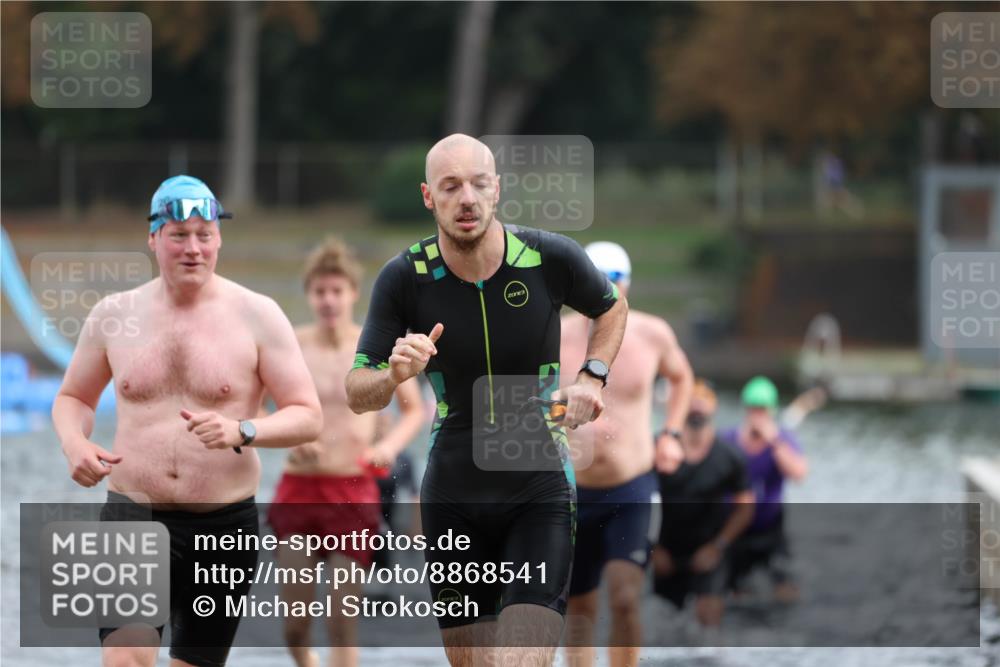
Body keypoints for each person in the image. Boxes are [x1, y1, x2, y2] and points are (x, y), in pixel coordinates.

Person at [345, 134, 628, 667]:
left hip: (539, 486)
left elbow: (611, 307)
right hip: (453, 495)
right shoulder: (405, 277)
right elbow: (357, 391)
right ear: (428, 196)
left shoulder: (549, 257)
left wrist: (592, 377)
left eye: (478, 184)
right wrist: (393, 375)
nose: (467, 199)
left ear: (497, 188)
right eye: (451, 186)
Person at [52, 175, 323, 667]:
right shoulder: (114, 314)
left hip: (224, 525)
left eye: (205, 234)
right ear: (153, 238)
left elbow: (307, 415)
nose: (193, 248)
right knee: (126, 660)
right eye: (179, 235)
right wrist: (75, 443)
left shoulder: (259, 315)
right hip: (133, 516)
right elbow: (74, 397)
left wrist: (243, 430)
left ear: (219, 238)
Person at [267, 238, 425, 667]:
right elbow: (256, 407)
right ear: (309, 295)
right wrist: (289, 435)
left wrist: (387, 446)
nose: (329, 300)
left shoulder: (375, 346)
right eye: (320, 291)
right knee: (295, 625)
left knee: (341, 620)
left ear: (353, 293)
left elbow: (415, 409)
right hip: (299, 489)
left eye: (337, 290)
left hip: (353, 490)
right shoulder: (293, 344)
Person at [559, 241, 693, 667]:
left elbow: (682, 378)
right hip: (572, 490)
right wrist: (567, 415)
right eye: (595, 279)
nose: (604, 288)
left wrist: (671, 434)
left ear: (628, 284)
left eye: (613, 280)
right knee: (578, 607)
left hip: (631, 488)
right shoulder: (556, 334)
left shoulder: (653, 334)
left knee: (624, 597)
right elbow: (525, 401)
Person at [652, 380, 754, 631]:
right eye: (691, 397)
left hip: (710, 549)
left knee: (708, 619)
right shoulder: (659, 449)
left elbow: (745, 508)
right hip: (666, 552)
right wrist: (653, 548)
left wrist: (718, 547)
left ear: (714, 406)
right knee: (663, 625)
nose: (697, 403)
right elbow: (639, 499)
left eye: (704, 397)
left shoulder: (730, 456)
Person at [719, 376, 809, 603]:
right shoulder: (728, 440)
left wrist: (774, 441)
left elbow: (799, 474)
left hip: (771, 527)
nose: (758, 415)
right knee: (732, 593)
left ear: (772, 410)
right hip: (735, 528)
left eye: (763, 409)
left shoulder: (783, 439)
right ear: (746, 409)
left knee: (786, 592)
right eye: (753, 409)